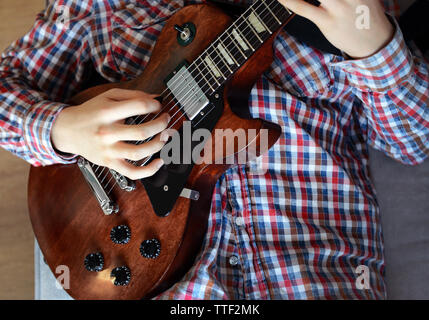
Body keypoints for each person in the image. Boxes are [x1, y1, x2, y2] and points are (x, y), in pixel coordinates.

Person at [0, 0, 427, 299]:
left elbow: (413, 145)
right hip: (153, 275)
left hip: (312, 271)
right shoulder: (97, 6)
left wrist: (375, 48)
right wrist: (62, 128)